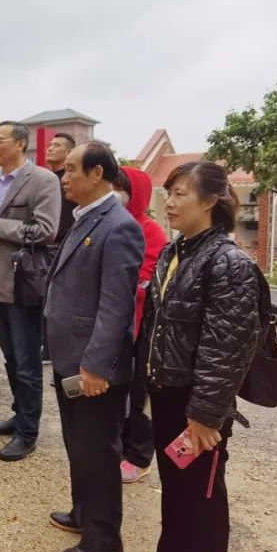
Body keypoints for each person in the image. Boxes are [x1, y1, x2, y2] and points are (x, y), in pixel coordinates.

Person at [135, 161, 264, 552]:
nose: (169, 202)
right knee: (176, 484)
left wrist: (206, 415)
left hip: (198, 403)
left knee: (203, 495)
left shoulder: (227, 263)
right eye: (168, 193)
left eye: (181, 194)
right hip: (167, 391)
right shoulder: (177, 253)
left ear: (210, 201)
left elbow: (227, 348)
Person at [44, 141, 144, 552]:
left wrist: (96, 366)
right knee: (78, 444)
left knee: (99, 451)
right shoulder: (87, 217)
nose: (63, 178)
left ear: (97, 173)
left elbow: (115, 305)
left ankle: (104, 540)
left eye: (70, 170)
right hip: (71, 357)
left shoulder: (117, 226)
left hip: (93, 365)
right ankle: (83, 512)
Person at [0, 121, 61, 461]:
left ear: (21, 144)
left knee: (27, 362)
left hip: (23, 283)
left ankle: (28, 431)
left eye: (0, 140)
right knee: (10, 357)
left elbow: (46, 229)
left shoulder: (43, 180)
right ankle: (19, 411)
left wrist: (0, 227)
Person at [114, 167, 169, 484]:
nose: (116, 192)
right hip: (113, 324)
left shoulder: (151, 232)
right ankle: (121, 444)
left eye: (123, 188)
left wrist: (114, 283)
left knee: (138, 393)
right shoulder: (108, 223)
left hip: (140, 327)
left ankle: (139, 455)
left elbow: (147, 282)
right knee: (114, 391)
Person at [45, 132, 78, 244]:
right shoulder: (44, 179)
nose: (50, 149)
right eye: (50, 145)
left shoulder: (74, 179)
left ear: (68, 153)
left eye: (57, 145)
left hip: (67, 242)